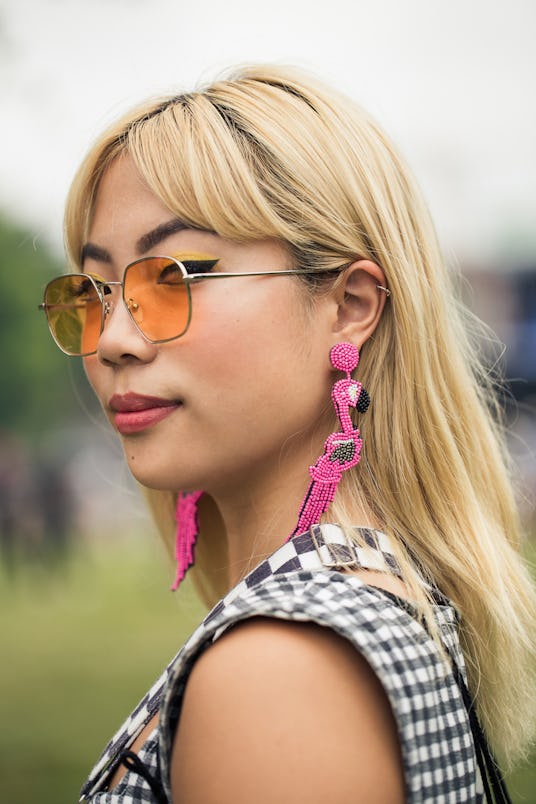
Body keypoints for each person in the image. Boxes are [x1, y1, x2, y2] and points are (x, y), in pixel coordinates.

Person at [39, 65, 535, 803]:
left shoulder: (278, 668)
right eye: (93, 290)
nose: (111, 340)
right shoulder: (382, 590)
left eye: (169, 279)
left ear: (349, 305)